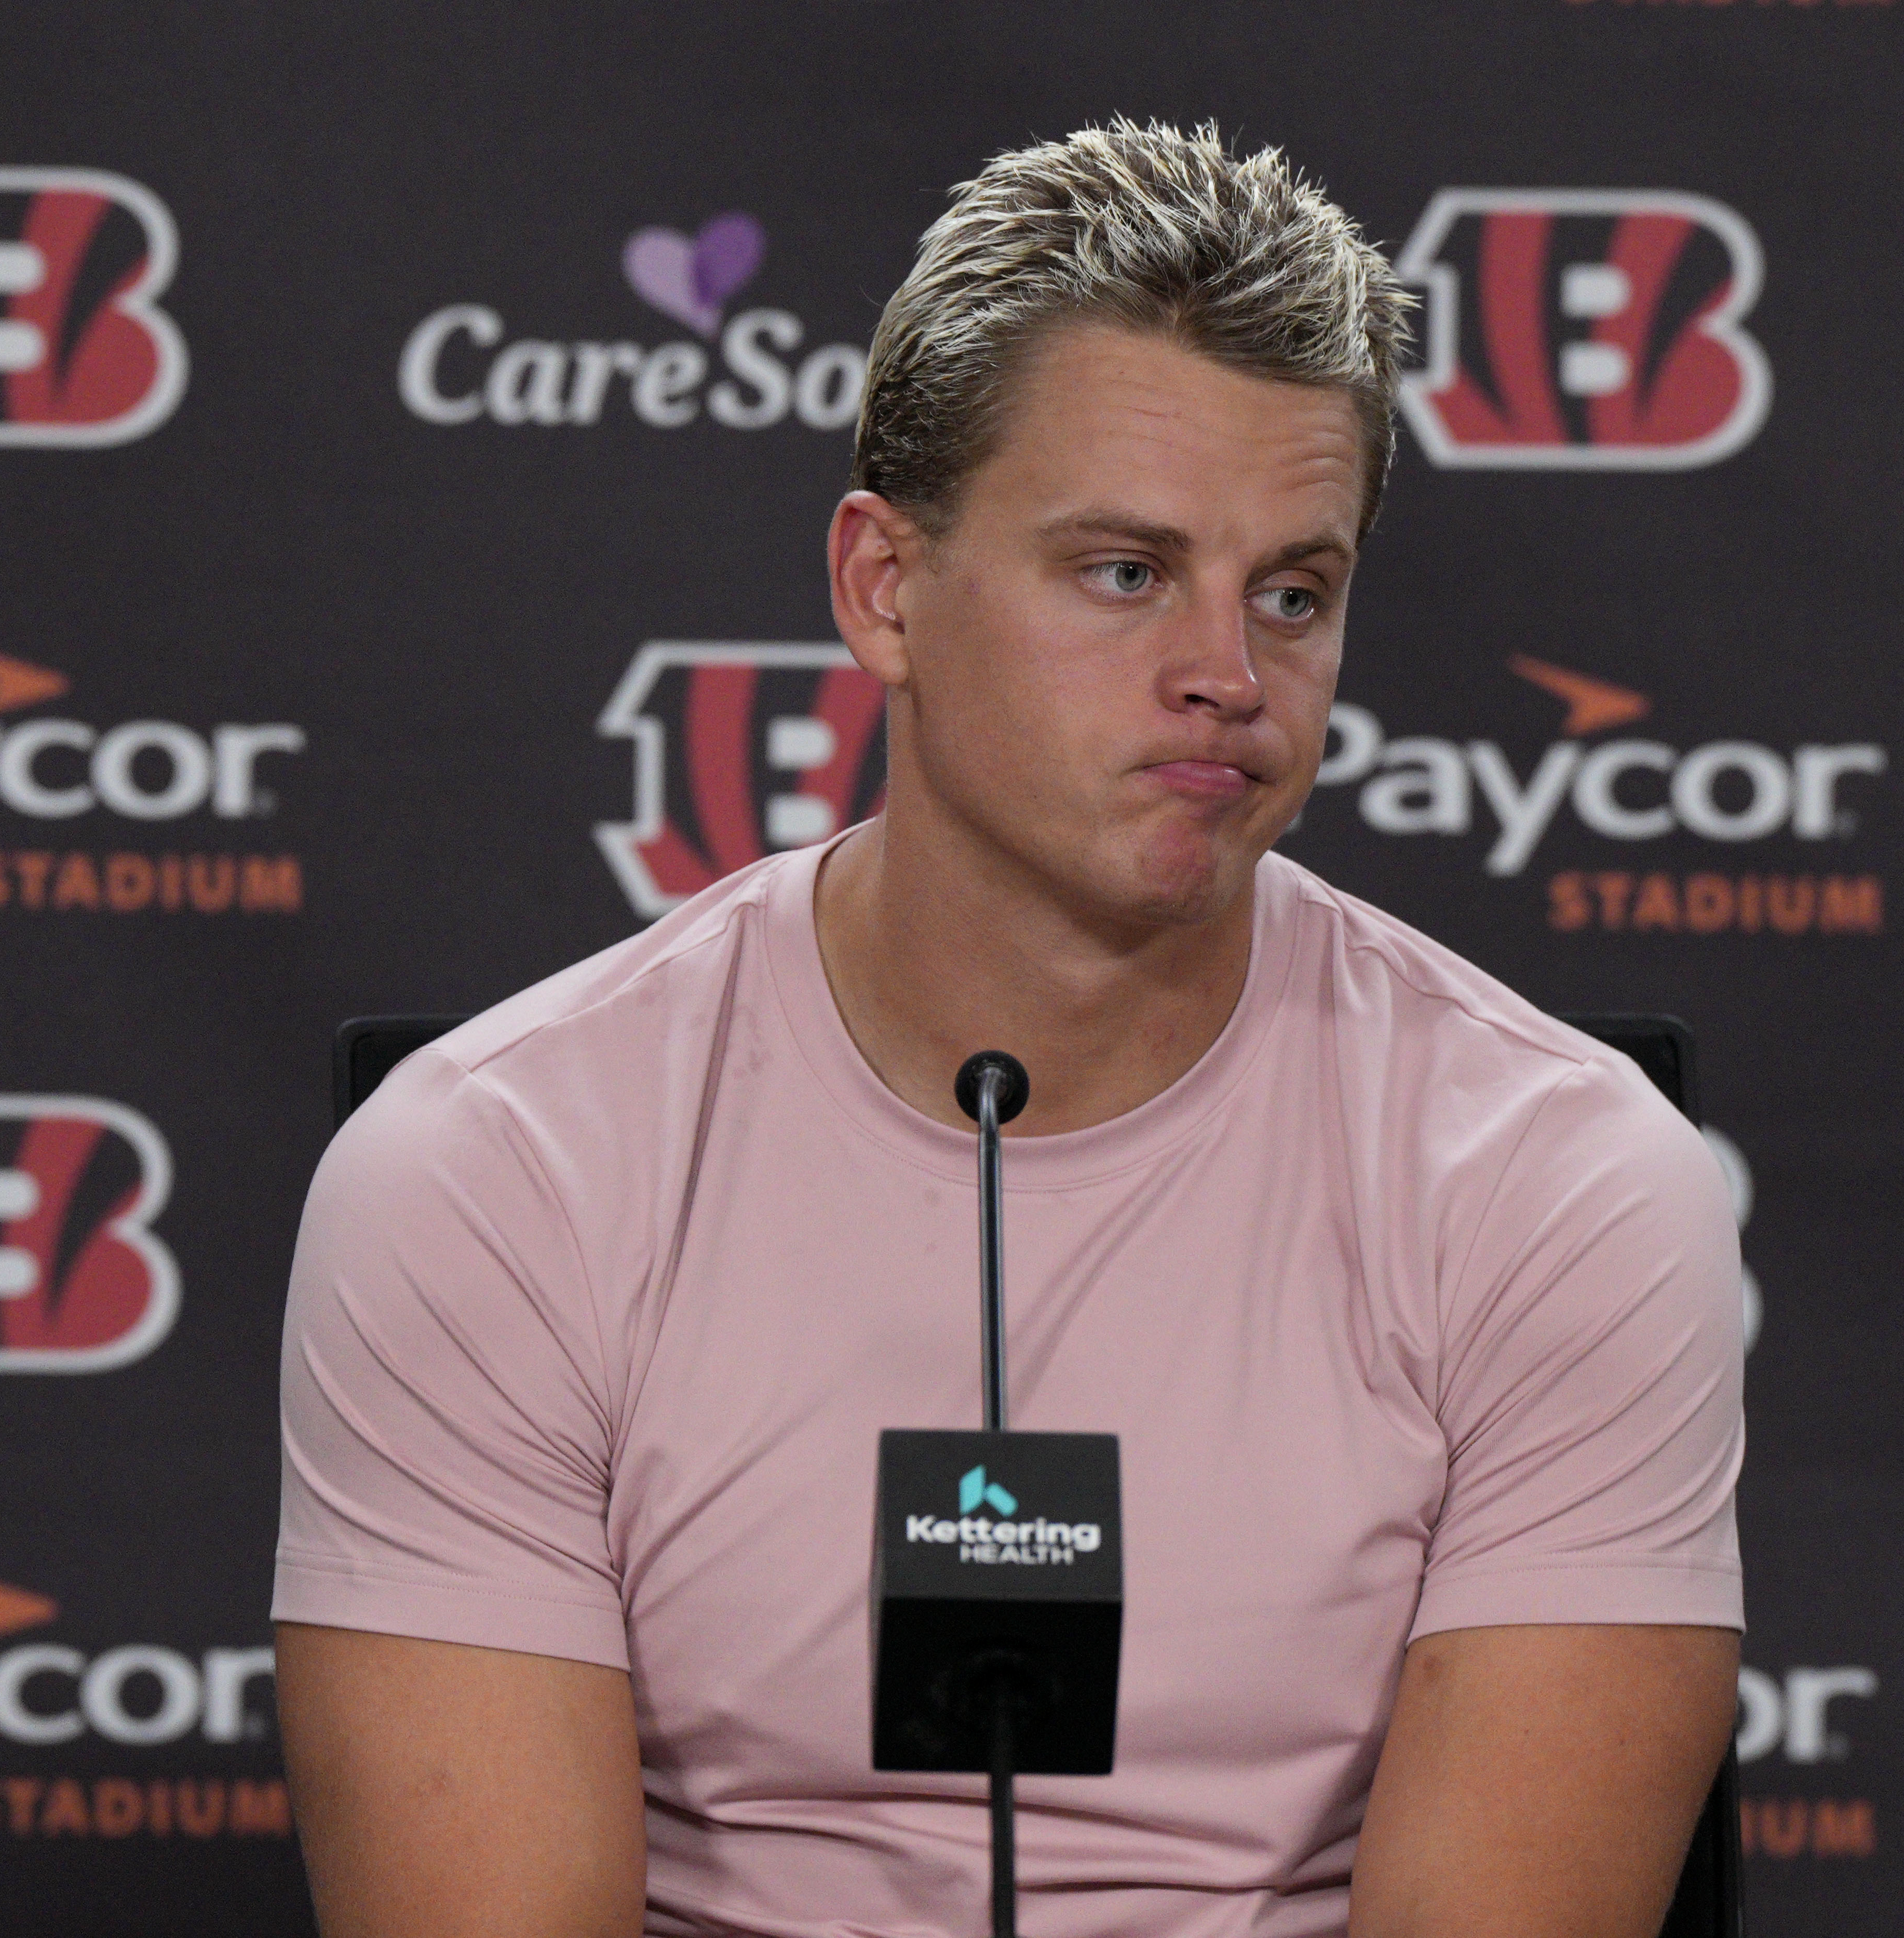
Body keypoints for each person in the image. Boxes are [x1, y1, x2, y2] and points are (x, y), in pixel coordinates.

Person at [274, 119, 1743, 1938]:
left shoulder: (1564, 1179)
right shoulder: (493, 1170)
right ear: (885, 588)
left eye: (1295, 589)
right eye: (1126, 572)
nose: (1232, 668)